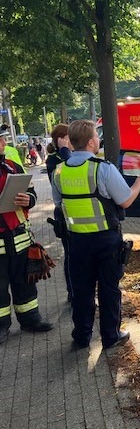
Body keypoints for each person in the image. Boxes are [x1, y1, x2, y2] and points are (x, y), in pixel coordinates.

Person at [52, 120, 140, 350]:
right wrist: (139, 182)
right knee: (108, 289)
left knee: (82, 290)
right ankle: (110, 336)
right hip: (106, 241)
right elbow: (125, 200)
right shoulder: (102, 168)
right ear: (89, 142)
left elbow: (59, 204)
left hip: (76, 241)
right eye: (96, 136)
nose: (98, 140)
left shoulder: (59, 171)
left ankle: (82, 336)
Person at [0, 131, 54, 345]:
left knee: (25, 282)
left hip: (20, 238)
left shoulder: (13, 166)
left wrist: (28, 200)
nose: (3, 142)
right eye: (0, 139)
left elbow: (31, 192)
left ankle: (31, 320)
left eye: (3, 138)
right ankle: (1, 327)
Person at [46, 124, 72, 301]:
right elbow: (66, 174)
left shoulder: (70, 155)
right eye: (68, 138)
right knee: (70, 255)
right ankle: (72, 293)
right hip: (64, 215)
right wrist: (64, 151)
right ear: (61, 139)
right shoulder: (54, 160)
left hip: (77, 215)